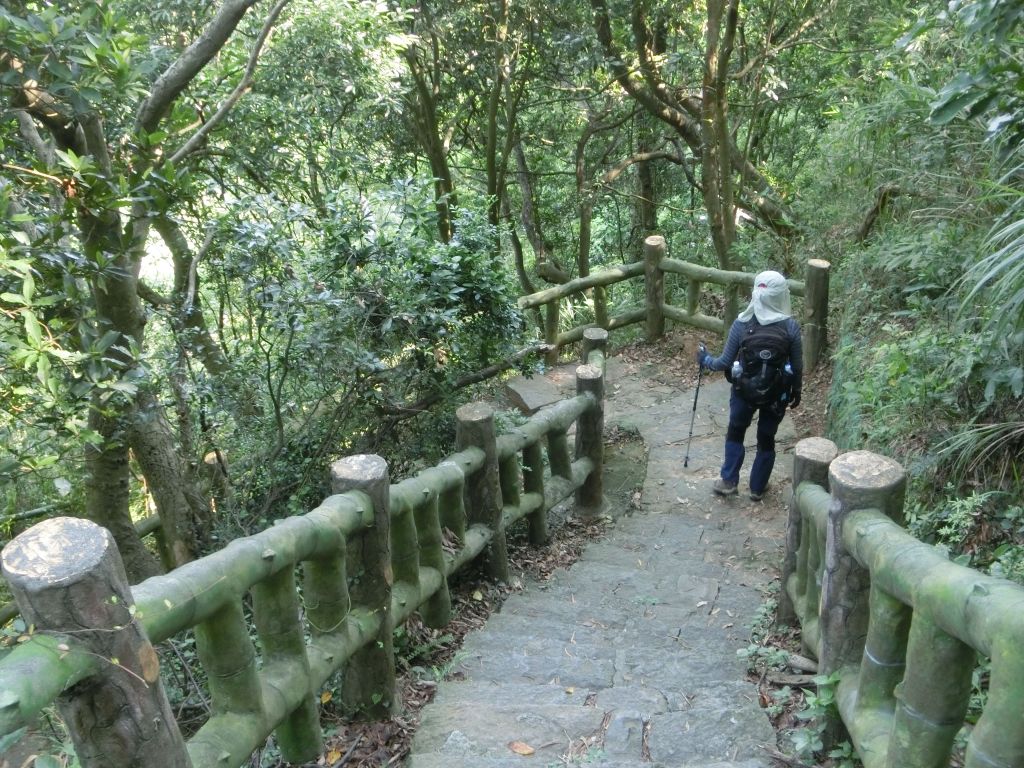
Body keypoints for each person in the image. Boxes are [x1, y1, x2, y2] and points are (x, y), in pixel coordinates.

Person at [695, 271, 802, 500]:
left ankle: (728, 481)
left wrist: (705, 359)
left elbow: (723, 362)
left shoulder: (741, 324)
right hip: (776, 394)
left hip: (743, 390)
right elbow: (797, 365)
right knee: (766, 438)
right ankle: (757, 487)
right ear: (782, 296)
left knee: (736, 431)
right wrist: (797, 391)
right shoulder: (790, 327)